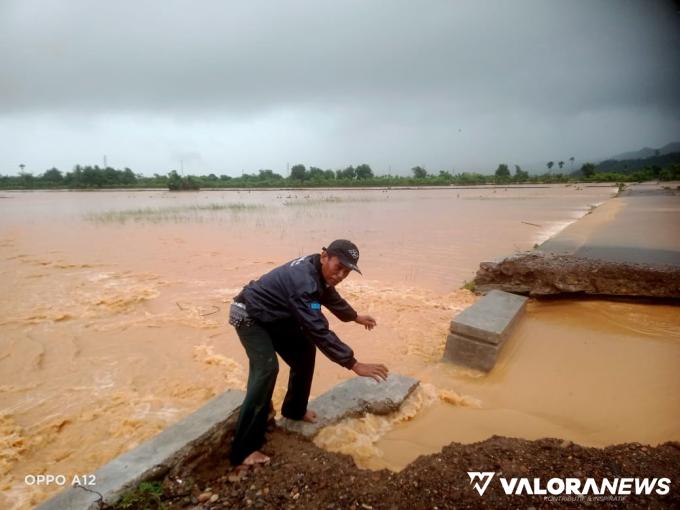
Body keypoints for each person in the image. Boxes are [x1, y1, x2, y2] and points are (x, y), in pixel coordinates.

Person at [228, 239, 389, 467]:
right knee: (266, 370)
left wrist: (354, 317)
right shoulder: (302, 282)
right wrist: (353, 363)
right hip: (250, 315)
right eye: (339, 267)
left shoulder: (318, 272)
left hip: (275, 315)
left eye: (347, 271)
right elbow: (318, 329)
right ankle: (243, 450)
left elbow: (328, 296)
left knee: (304, 352)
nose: (341, 275)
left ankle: (294, 410)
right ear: (324, 256)